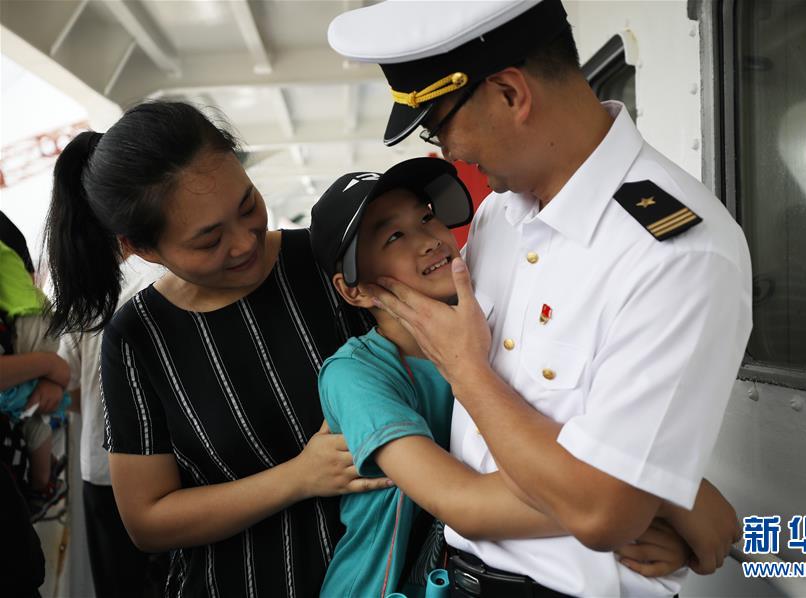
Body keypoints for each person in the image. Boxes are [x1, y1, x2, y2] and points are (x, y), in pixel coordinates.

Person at [328, 1, 752, 596]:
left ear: (509, 94)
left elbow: (602, 509)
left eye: (439, 126)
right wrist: (671, 496)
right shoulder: (501, 215)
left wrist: (466, 370)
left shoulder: (673, 253)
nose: (447, 151)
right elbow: (586, 478)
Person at [43, 100, 392, 597]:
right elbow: (148, 520)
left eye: (248, 205)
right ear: (140, 249)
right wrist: (299, 477)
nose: (245, 242)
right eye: (208, 240)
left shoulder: (327, 260)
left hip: (390, 575)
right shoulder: (139, 338)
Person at [310, 157, 697, 597]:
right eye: (395, 235)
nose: (429, 240)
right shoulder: (355, 375)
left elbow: (562, 453)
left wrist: (636, 499)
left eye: (427, 217)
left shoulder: (489, 332)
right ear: (353, 289)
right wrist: (654, 502)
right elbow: (465, 505)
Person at [58, 252, 167, 598]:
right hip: (170, 459)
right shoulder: (168, 274)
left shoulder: (82, 292)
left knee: (118, 583)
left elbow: (67, 382)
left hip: (102, 464)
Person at [0, 234, 70, 519]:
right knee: (29, 407)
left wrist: (49, 367)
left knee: (25, 408)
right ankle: (46, 475)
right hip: (34, 315)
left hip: (26, 320)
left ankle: (43, 484)